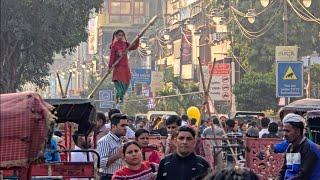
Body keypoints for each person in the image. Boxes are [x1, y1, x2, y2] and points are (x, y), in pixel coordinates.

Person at [278, 113, 320, 180]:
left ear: (298, 131)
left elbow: (303, 175)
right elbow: (283, 170)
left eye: (287, 131)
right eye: (284, 130)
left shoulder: (309, 148)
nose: (284, 134)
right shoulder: (290, 147)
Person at [108, 29, 140, 104]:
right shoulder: (114, 46)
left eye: (122, 35)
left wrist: (137, 39)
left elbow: (134, 47)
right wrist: (110, 67)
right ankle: (119, 98)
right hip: (118, 67)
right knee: (118, 85)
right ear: (116, 36)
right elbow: (112, 57)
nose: (121, 37)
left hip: (125, 67)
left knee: (127, 83)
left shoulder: (126, 44)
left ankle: (119, 97)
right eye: (119, 35)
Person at [97, 113, 129, 180]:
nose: (125, 128)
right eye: (122, 125)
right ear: (114, 126)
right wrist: (117, 155)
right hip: (109, 177)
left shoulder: (123, 140)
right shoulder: (105, 141)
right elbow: (100, 164)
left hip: (122, 176)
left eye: (126, 125)